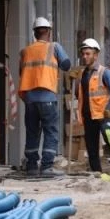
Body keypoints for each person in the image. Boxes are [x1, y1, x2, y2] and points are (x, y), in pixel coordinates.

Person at [18, 17, 71, 177]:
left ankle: (32, 167)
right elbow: (66, 65)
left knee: (32, 132)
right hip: (47, 96)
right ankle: (47, 167)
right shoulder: (54, 47)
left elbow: (22, 73)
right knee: (51, 131)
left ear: (34, 33)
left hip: (30, 99)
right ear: (48, 32)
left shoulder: (25, 51)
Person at [76, 39, 110, 174]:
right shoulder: (82, 74)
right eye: (83, 54)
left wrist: (108, 108)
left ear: (95, 55)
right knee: (91, 147)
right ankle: (96, 171)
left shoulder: (104, 72)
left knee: (109, 135)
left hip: (103, 113)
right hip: (88, 115)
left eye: (88, 54)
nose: (84, 57)